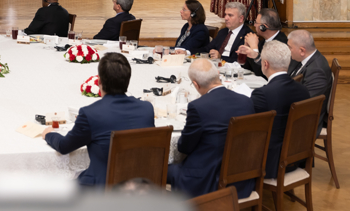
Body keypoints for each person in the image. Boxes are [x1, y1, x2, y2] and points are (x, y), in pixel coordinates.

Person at [42, 53, 154, 186]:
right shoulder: (147, 109)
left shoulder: (90, 114)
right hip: (142, 187)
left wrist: (49, 134)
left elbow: (64, 146)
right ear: (128, 80)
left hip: (104, 189)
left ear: (99, 81)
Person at [167, 59, 255, 198]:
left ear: (196, 84)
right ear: (218, 75)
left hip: (207, 182)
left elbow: (184, 147)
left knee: (158, 169)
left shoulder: (198, 107)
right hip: (241, 180)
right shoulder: (246, 101)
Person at [251, 40, 310, 179]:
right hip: (297, 157)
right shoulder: (303, 90)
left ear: (265, 64)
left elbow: (252, 128)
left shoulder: (262, 94)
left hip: (269, 163)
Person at [287, 29, 333, 130]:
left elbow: (306, 103)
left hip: (306, 122)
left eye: (289, 47)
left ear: (302, 50)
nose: (287, 50)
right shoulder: (303, 59)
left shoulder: (317, 70)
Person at [238, 8, 288, 78]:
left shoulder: (281, 44)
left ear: (263, 27)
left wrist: (254, 48)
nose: (254, 25)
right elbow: (247, 67)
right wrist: (246, 48)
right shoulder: (263, 41)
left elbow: (261, 73)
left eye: (256, 22)